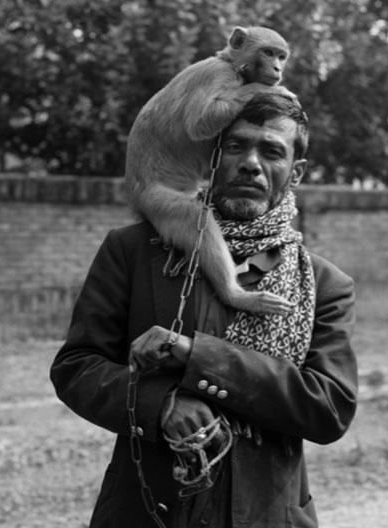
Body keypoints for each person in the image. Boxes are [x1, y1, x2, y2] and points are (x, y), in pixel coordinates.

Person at [50, 90, 357, 527]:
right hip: (146, 511)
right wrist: (162, 404)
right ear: (209, 155)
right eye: (235, 146)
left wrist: (199, 356)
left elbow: (329, 409)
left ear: (296, 172)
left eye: (271, 151)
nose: (250, 163)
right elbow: (76, 368)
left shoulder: (325, 285)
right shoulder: (134, 252)